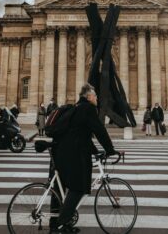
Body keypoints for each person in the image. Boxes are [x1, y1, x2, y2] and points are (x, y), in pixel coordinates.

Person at [50, 83, 118, 233]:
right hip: (71, 154)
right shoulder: (88, 108)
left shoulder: (78, 107)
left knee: (69, 188)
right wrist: (110, 150)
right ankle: (60, 226)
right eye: (95, 95)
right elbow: (99, 130)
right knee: (78, 188)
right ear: (88, 97)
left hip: (63, 151)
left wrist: (96, 152)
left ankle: (63, 223)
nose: (97, 98)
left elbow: (82, 135)